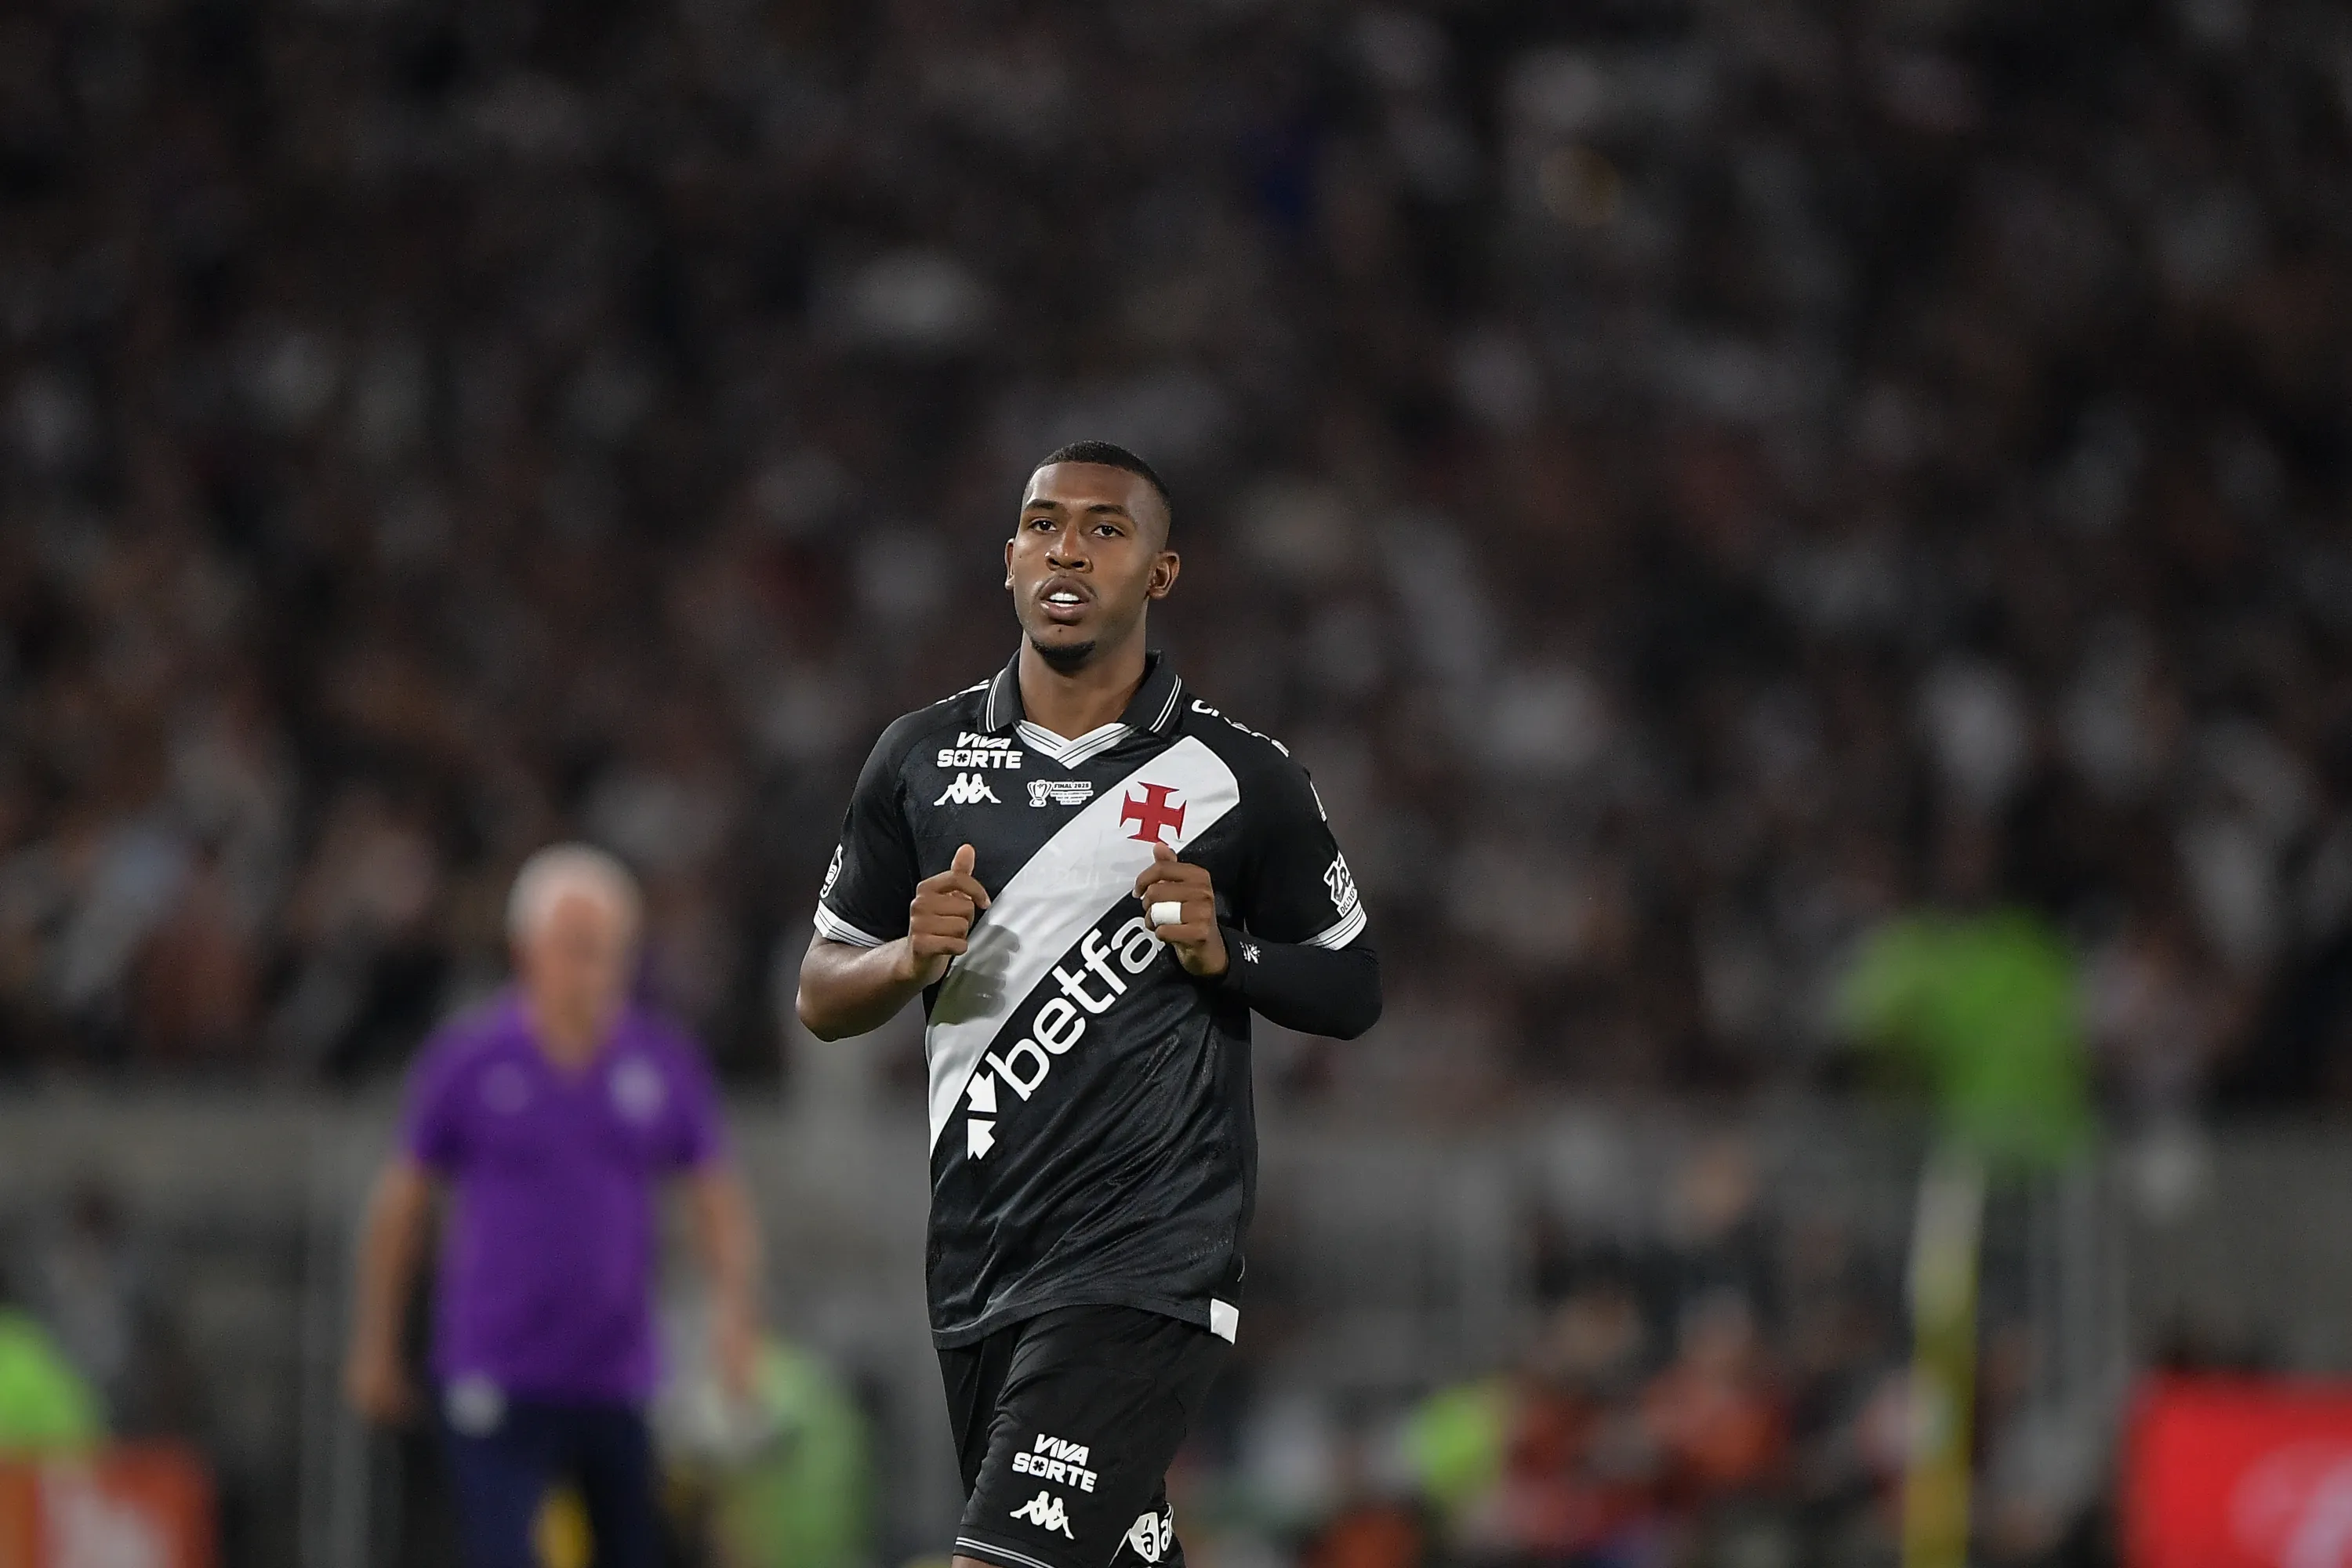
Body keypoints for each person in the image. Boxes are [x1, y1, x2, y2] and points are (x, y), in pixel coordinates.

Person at [797, 441, 1381, 1568]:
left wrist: (1226, 953)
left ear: (1161, 572)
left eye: (1106, 528)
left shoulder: (1238, 776)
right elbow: (822, 991)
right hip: (980, 1258)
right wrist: (906, 960)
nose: (1067, 548)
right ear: (1009, 556)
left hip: (1146, 1261)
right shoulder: (920, 758)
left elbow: (1353, 986)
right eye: (1043, 524)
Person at [344, 844, 760, 1568]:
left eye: (611, 948)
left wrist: (735, 1321)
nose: (596, 967)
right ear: (525, 950)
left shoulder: (661, 1063)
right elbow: (401, 1206)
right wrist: (376, 1340)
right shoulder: (469, 1061)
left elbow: (717, 1200)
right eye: (577, 946)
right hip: (497, 1367)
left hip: (618, 1373)